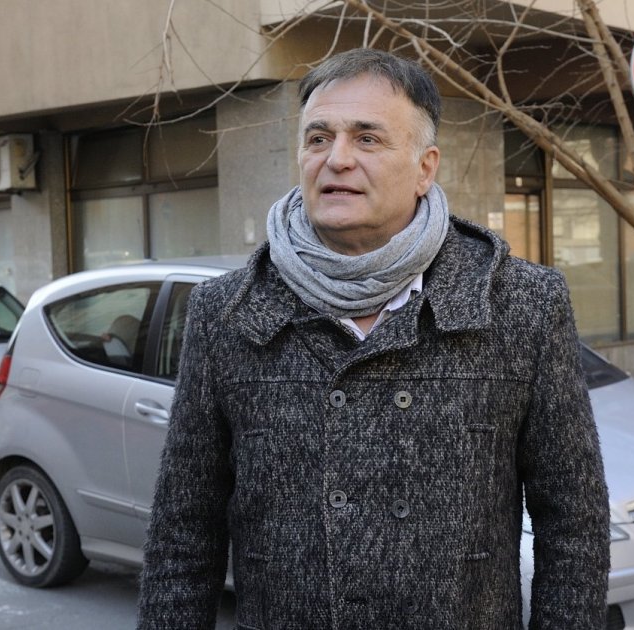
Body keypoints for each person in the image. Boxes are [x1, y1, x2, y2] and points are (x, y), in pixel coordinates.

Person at [137, 48, 610, 629]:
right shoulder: (226, 312)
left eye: (367, 138)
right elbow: (183, 533)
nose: (336, 159)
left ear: (424, 168)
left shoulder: (522, 304)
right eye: (318, 138)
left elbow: (573, 521)